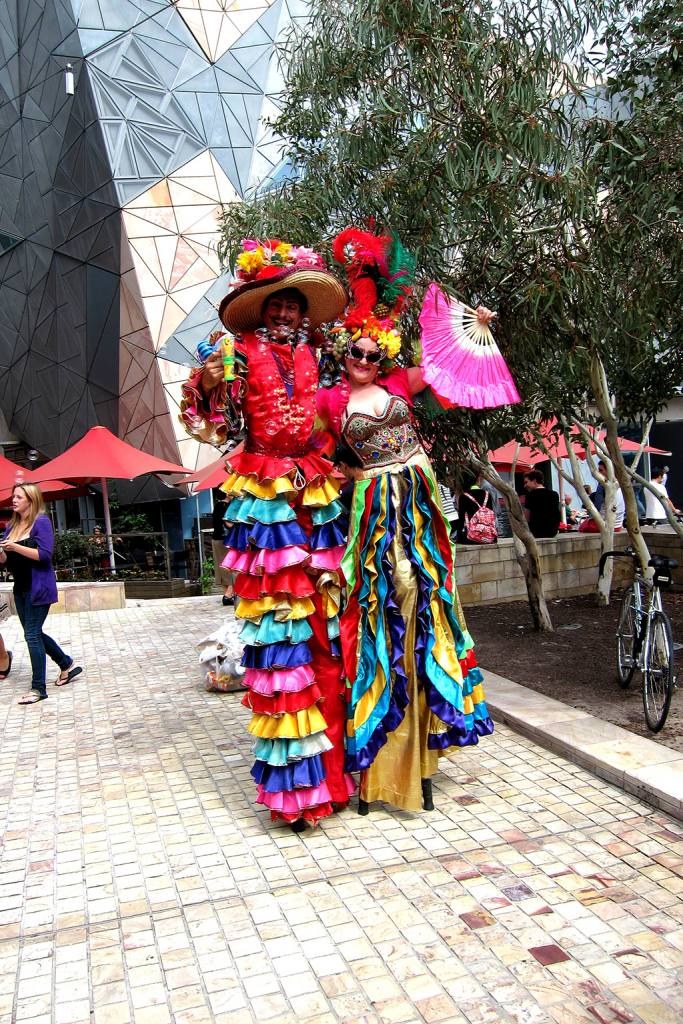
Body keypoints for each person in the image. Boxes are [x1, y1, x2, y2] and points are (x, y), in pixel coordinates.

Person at [317, 227, 495, 815]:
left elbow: (448, 371)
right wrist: (340, 476)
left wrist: (480, 326)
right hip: (372, 508)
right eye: (355, 353)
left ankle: (420, 743)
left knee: (423, 597)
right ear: (342, 352)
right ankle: (377, 746)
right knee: (379, 604)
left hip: (416, 499)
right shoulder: (328, 403)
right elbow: (316, 454)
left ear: (384, 356)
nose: (364, 361)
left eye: (374, 354)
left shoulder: (400, 381)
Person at [180, 239, 354, 830]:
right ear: (262, 311)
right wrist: (204, 384)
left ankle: (339, 771)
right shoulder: (236, 353)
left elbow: (356, 394)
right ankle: (296, 792)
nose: (285, 315)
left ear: (304, 314)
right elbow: (212, 422)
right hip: (267, 500)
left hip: (316, 491)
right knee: (282, 641)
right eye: (276, 307)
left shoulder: (323, 355)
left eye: (293, 308)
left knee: (326, 633)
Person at [0, 483, 81, 704]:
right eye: (13, 496)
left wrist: (15, 547)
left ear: (31, 500)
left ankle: (38, 689)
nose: (14, 500)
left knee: (32, 635)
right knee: (34, 633)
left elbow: (45, 555)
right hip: (21, 588)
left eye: (19, 497)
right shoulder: (12, 526)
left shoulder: (41, 522)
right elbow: (7, 561)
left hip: (39, 587)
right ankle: (66, 664)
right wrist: (2, 553)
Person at [211, 488, 234, 606]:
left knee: (222, 566)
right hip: (225, 540)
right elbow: (228, 523)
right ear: (226, 493)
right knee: (232, 567)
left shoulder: (218, 506)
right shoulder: (225, 506)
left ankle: (228, 595)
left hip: (217, 539)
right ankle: (228, 595)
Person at [522, 470, 560, 538]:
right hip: (552, 532)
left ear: (534, 481)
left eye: (526, 482)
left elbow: (526, 518)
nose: (525, 486)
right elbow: (556, 514)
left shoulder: (530, 496)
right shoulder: (554, 494)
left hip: (536, 533)